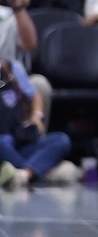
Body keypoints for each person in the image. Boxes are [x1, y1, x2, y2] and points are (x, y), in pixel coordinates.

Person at [0, 57, 75, 189]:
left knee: (61, 140)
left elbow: (34, 96)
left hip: (19, 139)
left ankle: (23, 175)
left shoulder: (11, 68)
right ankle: (42, 171)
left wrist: (36, 116)